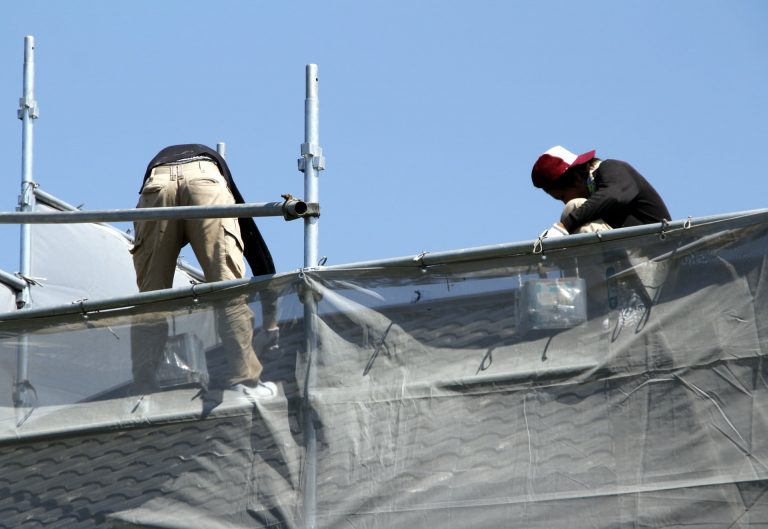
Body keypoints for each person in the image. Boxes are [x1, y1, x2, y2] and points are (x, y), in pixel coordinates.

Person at [130, 144, 278, 399]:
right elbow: (259, 254)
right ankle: (245, 381)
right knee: (227, 290)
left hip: (157, 182)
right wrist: (272, 323)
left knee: (151, 299)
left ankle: (143, 391)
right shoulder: (222, 182)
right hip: (204, 177)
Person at [531, 146, 670, 237]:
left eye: (562, 196)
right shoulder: (595, 198)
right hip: (631, 262)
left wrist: (563, 226)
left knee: (575, 206)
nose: (564, 202)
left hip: (657, 258)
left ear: (576, 178)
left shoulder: (613, 169)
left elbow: (613, 195)